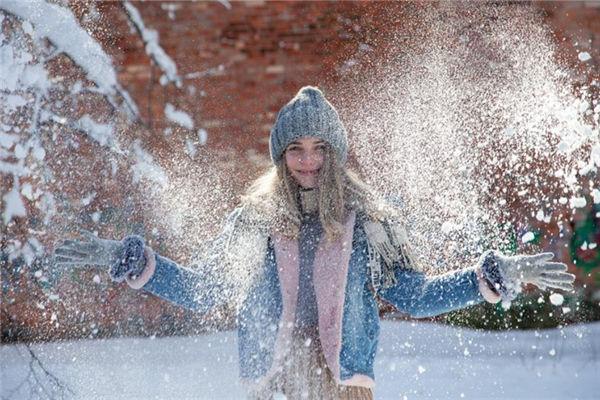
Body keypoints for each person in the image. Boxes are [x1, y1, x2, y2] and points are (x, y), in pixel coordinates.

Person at [53, 86, 575, 400]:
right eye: (296, 149)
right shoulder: (254, 221)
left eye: (319, 147)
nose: (307, 160)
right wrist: (136, 262)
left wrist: (491, 276)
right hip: (273, 380)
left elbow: (414, 296)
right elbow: (207, 290)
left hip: (343, 385)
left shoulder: (367, 223)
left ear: (336, 153)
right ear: (281, 155)